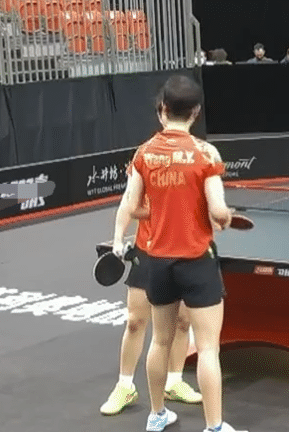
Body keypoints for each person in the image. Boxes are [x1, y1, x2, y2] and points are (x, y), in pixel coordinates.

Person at [112, 75, 247, 432]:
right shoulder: (206, 154)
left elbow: (132, 205)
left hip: (158, 262)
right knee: (208, 348)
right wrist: (225, 217)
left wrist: (157, 212)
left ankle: (157, 414)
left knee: (159, 340)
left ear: (162, 109)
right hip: (196, 261)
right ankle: (214, 427)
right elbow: (217, 210)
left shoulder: (144, 153)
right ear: (196, 112)